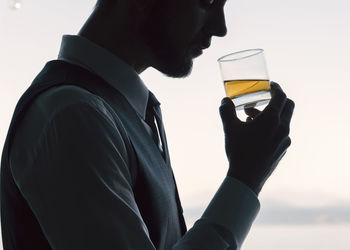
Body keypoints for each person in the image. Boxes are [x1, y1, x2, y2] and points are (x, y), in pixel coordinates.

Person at [0, 0, 295, 249]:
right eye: (206, 2)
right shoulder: (73, 115)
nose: (221, 27)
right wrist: (245, 180)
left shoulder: (120, 109)